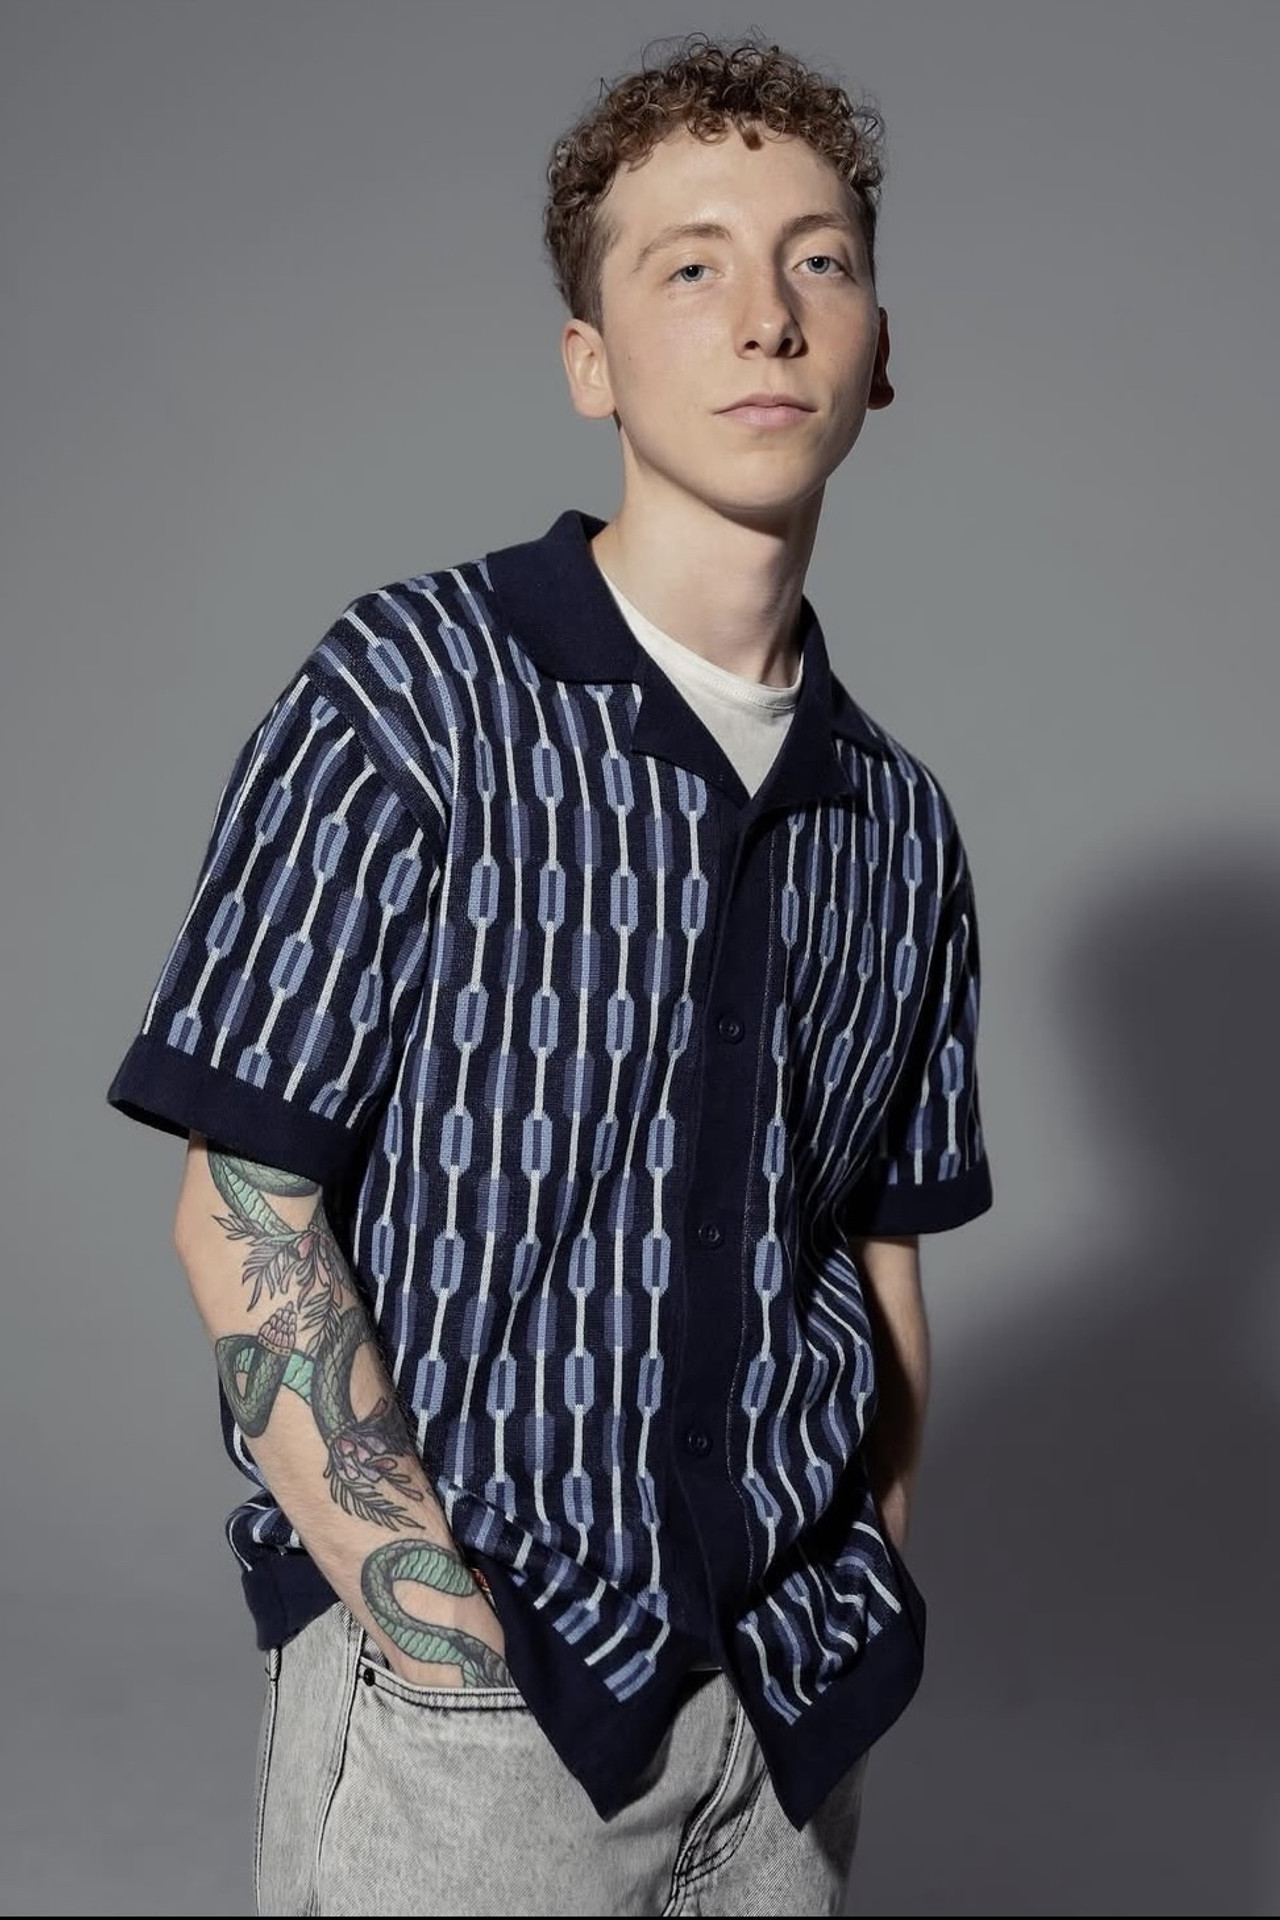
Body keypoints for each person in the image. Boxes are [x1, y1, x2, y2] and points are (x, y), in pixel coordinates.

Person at [108, 31, 992, 1918]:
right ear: (591, 361)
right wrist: (437, 1638)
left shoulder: (901, 826)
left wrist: (863, 1591)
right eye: (689, 266)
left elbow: (878, 1258)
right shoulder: (410, 697)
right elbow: (241, 1202)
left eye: (818, 260)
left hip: (789, 1724)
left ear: (877, 350)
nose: (764, 314)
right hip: (482, 1722)